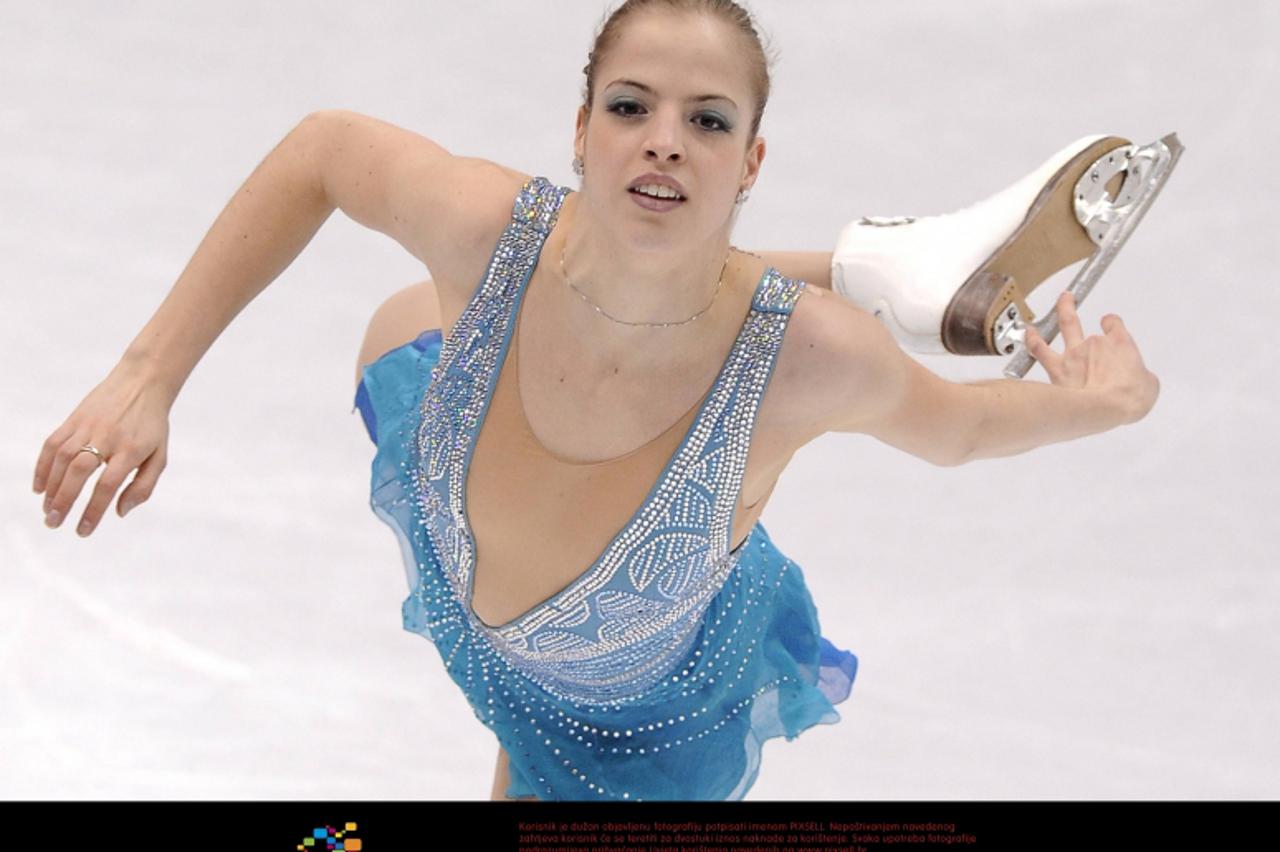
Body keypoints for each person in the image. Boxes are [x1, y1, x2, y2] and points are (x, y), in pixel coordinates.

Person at [33, 0, 1160, 801]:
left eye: (708, 121)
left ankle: (868, 271)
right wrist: (147, 375)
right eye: (631, 107)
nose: (664, 136)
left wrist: (1100, 403)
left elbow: (959, 430)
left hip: (637, 705)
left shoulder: (810, 363)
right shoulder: (487, 230)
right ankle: (876, 260)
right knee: (439, 314)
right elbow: (323, 150)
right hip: (466, 540)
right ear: (581, 132)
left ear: (751, 160)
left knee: (667, 289)